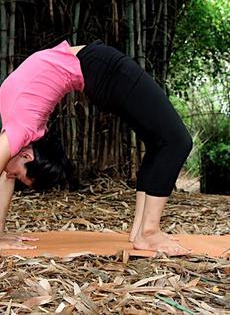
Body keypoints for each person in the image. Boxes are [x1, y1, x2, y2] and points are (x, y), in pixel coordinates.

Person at [0, 40, 193, 255]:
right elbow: (4, 178)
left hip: (103, 69)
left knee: (169, 142)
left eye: (17, 175)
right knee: (174, 141)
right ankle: (147, 232)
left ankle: (142, 231)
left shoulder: (21, 129)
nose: (10, 174)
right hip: (97, 72)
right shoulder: (22, 131)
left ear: (27, 155)